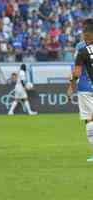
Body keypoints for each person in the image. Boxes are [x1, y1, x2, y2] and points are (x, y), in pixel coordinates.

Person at [67, 18, 93, 162]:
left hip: (85, 86)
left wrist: (71, 86)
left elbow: (76, 70)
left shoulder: (81, 48)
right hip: (84, 86)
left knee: (89, 120)